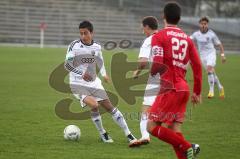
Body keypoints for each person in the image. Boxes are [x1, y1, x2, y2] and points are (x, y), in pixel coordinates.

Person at [65, 20, 139, 147]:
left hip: (93, 82)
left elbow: (100, 61)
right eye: (81, 33)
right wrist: (81, 73)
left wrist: (104, 74)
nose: (83, 36)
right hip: (77, 83)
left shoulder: (97, 47)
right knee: (94, 105)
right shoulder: (74, 46)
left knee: (110, 107)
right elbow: (67, 65)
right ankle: (103, 133)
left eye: (86, 33)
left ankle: (129, 134)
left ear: (92, 33)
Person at [147, 2, 202, 159]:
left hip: (169, 88)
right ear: (179, 18)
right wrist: (197, 92)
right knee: (174, 129)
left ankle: (187, 146)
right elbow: (197, 66)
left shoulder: (159, 36)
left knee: (151, 126)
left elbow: (157, 63)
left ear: (163, 16)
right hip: (183, 89)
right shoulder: (187, 39)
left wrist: (151, 73)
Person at [132, 16, 160, 145]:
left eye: (143, 28)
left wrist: (137, 72)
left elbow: (143, 62)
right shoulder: (166, 37)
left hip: (156, 78)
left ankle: (145, 136)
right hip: (173, 78)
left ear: (147, 27)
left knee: (146, 108)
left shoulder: (149, 40)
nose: (142, 30)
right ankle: (181, 142)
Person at [190, 16, 226, 99]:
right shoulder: (196, 34)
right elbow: (188, 40)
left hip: (211, 54)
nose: (203, 25)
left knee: (209, 70)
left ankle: (211, 91)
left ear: (207, 24)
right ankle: (220, 87)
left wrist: (223, 56)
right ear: (199, 24)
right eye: (202, 24)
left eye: (205, 24)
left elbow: (219, 44)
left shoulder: (211, 34)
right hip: (203, 56)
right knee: (212, 72)